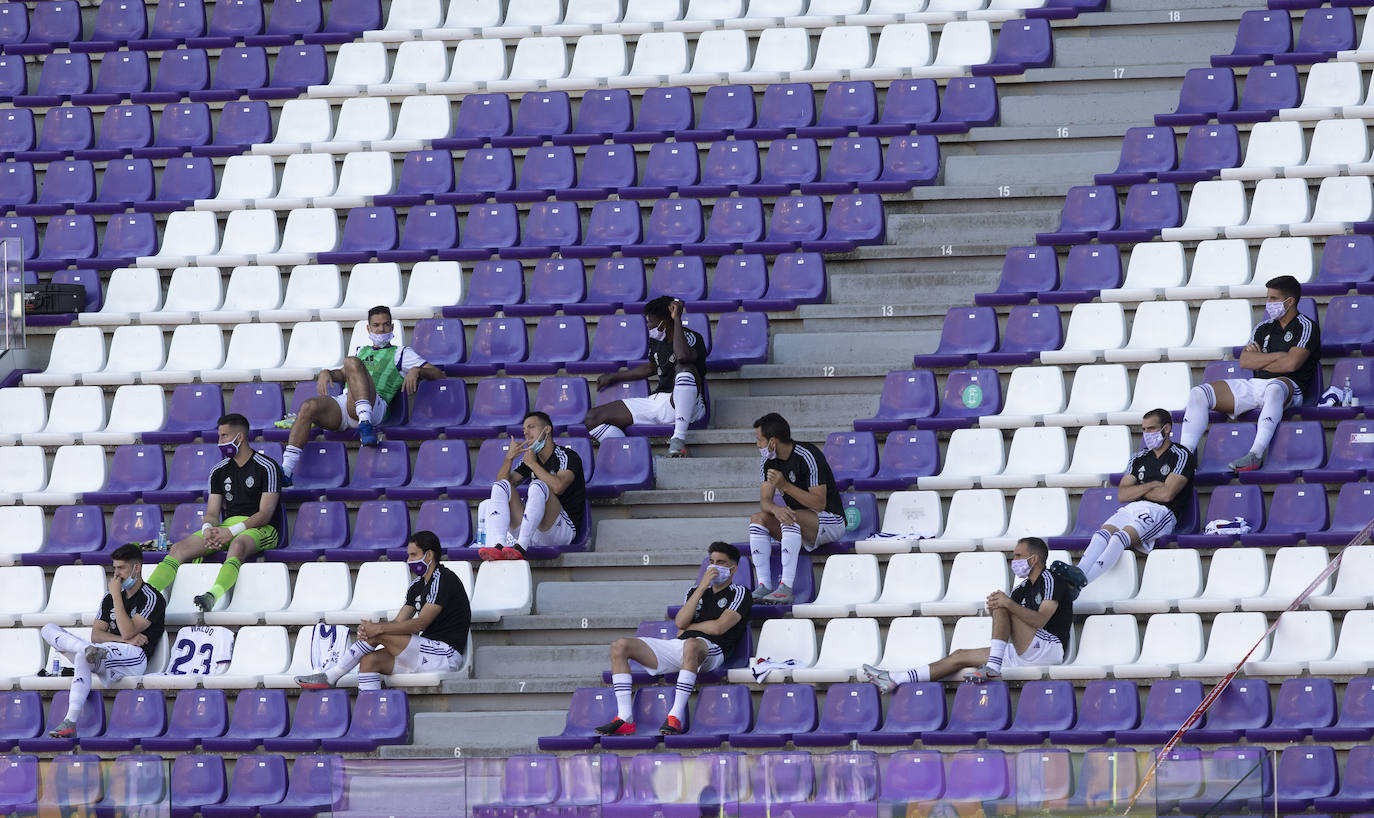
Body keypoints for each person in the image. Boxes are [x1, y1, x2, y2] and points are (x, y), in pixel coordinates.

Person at [862, 537, 1070, 688]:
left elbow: (1041, 621)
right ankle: (896, 679)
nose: (1013, 559)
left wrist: (1004, 604)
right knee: (960, 655)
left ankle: (993, 668)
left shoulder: (1051, 580)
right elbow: (1006, 616)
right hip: (1021, 650)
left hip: (1049, 648)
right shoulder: (1022, 588)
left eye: (1018, 555)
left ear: (1033, 559)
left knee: (1002, 603)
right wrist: (997, 606)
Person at [596, 542, 751, 736]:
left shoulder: (740, 593)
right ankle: (624, 718)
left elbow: (718, 627)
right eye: (711, 562)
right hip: (681, 646)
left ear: (733, 568)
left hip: (712, 650)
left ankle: (675, 716)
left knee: (692, 644)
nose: (714, 567)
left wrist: (691, 627)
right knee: (620, 646)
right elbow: (680, 622)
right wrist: (702, 587)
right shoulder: (694, 591)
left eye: (720, 562)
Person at [280, 305, 443, 480]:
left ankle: (366, 424)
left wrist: (417, 371)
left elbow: (438, 373)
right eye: (376, 325)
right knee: (308, 406)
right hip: (348, 404)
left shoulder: (401, 353)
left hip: (375, 407)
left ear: (392, 327)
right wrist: (327, 372)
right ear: (368, 328)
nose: (381, 330)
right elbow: (343, 373)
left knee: (352, 362)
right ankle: (286, 470)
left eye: (386, 325)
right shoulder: (361, 351)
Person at [297, 531, 470, 691]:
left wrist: (377, 630)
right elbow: (397, 623)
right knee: (369, 661)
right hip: (423, 652)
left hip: (445, 654)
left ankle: (331, 676)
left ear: (429, 555)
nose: (409, 561)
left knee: (378, 633)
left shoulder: (444, 579)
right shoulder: (417, 585)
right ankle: (370, 718)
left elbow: (420, 623)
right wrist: (373, 629)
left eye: (413, 555)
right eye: (408, 555)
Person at [145, 413, 283, 613]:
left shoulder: (267, 466)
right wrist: (209, 528)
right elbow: (211, 512)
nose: (220, 442)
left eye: (224, 436)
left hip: (261, 529)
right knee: (179, 548)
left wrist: (232, 531)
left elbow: (265, 514)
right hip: (227, 528)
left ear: (240, 437)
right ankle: (147, 594)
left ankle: (212, 596)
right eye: (220, 436)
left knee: (238, 544)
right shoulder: (218, 471)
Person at [1180, 275, 1320, 472]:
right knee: (1199, 393)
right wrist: (1279, 356)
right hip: (1256, 385)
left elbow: (1292, 364)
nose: (1268, 303)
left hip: (1289, 388)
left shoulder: (1306, 326)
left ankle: (1255, 454)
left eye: (1273, 299)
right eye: (1268, 298)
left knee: (1274, 388)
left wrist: (1263, 358)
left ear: (1290, 301)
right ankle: (1183, 460)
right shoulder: (1263, 328)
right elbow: (1246, 361)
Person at [42, 543, 166, 737]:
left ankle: (70, 721)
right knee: (48, 629)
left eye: (122, 568)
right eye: (114, 568)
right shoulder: (109, 597)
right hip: (107, 650)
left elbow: (127, 631)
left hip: (134, 658)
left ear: (137, 568)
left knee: (86, 656)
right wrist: (123, 640)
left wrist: (117, 595)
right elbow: (96, 635)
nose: (116, 575)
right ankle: (85, 651)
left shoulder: (151, 598)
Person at [1075, 408, 1195, 585]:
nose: (1147, 434)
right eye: (1144, 429)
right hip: (1132, 507)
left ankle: (1082, 583)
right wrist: (1153, 484)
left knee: (1118, 538)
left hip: (1162, 512)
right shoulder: (1138, 458)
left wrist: (1138, 489)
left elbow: (1167, 495)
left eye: (1152, 428)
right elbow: (1123, 495)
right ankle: (1078, 573)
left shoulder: (1181, 455)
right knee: (1101, 534)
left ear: (1167, 428)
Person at [584, 296, 707, 458]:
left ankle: (678, 439)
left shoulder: (691, 338)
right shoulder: (656, 341)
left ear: (665, 321)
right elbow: (651, 367)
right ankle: (634, 458)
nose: (648, 326)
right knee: (593, 418)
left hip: (685, 404)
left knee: (685, 368)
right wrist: (615, 376)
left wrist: (676, 319)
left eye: (651, 322)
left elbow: (683, 356)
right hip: (658, 401)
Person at [747, 412, 846, 605]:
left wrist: (784, 486)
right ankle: (764, 585)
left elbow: (819, 504)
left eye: (759, 440)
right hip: (797, 522)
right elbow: (765, 501)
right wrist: (775, 509)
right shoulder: (767, 461)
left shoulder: (808, 455)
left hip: (830, 520)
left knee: (791, 517)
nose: (757, 445)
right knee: (758, 518)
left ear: (773, 442)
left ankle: (786, 587)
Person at [476, 411, 587, 562]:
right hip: (532, 531)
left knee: (537, 486)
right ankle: (499, 545)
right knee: (501, 486)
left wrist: (533, 465)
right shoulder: (530, 459)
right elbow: (503, 483)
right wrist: (509, 459)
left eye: (531, 427)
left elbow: (558, 486)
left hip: (561, 532)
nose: (526, 433)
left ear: (547, 429)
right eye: (524, 430)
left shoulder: (566, 456)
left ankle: (520, 546)